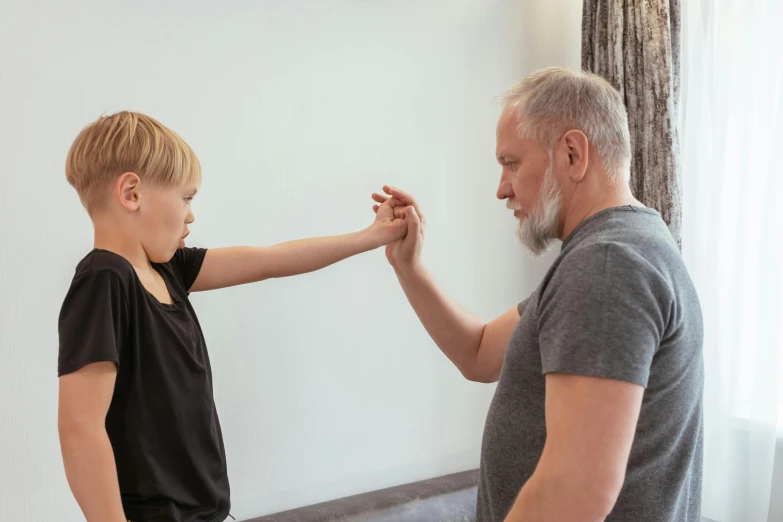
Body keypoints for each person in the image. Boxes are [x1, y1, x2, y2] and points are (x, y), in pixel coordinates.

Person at [373, 67, 704, 522]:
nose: (501, 188)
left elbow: (576, 489)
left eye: (511, 163)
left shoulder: (607, 264)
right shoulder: (617, 250)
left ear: (572, 152)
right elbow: (480, 352)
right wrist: (408, 267)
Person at [57, 111, 406, 522]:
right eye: (186, 198)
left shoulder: (168, 270)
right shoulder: (105, 280)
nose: (191, 215)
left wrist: (371, 236)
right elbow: (80, 427)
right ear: (132, 193)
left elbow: (271, 260)